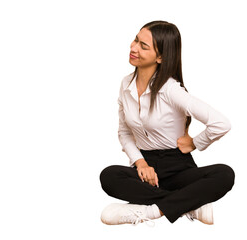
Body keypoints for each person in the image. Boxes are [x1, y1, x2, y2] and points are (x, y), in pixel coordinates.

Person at [99, 20, 235, 226]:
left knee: (224, 174)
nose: (133, 47)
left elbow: (221, 123)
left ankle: (152, 211)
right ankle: (189, 204)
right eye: (136, 39)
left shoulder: (171, 90)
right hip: (147, 169)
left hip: (178, 166)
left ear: (161, 57)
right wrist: (140, 162)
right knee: (109, 176)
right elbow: (124, 133)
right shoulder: (125, 84)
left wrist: (196, 143)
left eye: (143, 46)